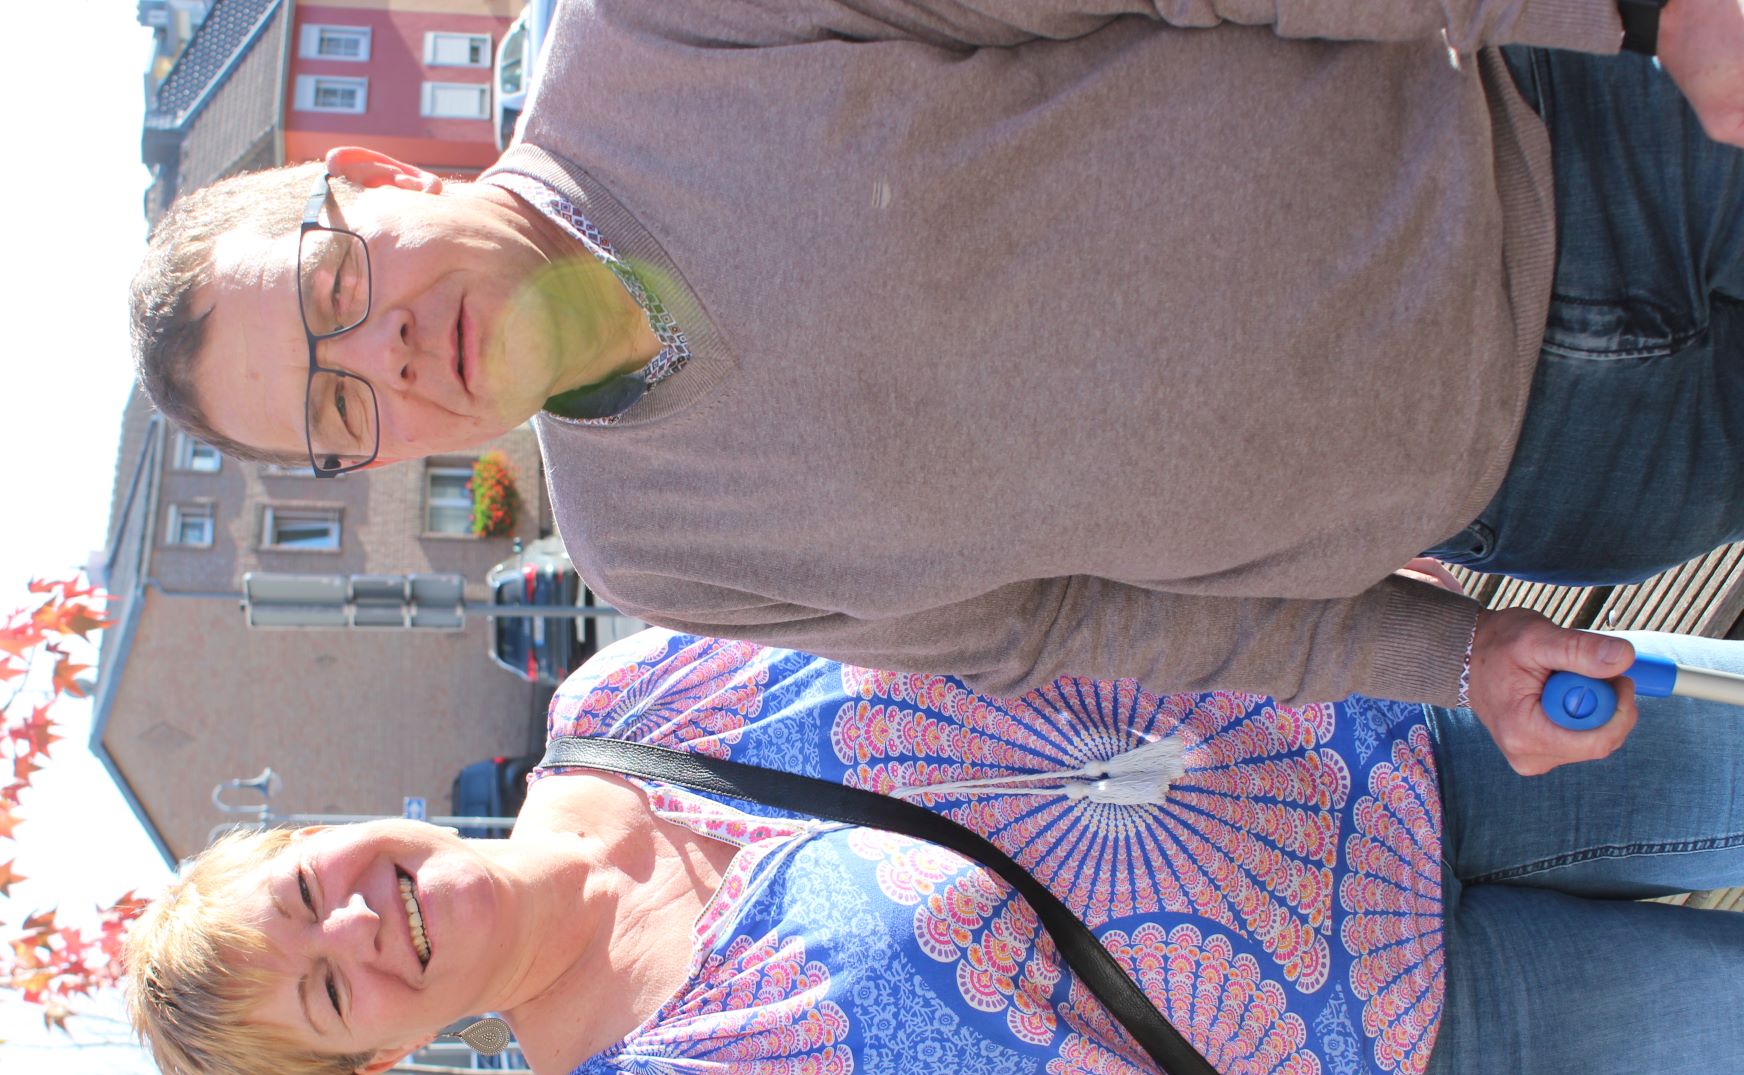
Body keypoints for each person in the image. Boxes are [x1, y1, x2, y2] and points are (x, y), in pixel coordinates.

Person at [128, 0, 1744, 778]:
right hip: (1560, 474)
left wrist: (1632, 6)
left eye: (337, 290)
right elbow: (1081, 627)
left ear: (372, 177)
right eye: (337, 410)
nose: (386, 358)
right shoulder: (654, 557)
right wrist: (1450, 654)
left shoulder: (659, 38)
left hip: (1585, 139)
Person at [127, 626, 1744, 1075]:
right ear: (379, 1062)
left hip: (1406, 743)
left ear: (315, 830)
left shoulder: (623, 701)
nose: (358, 925)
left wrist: (1377, 619)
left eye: (303, 892)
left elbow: (1005, 613)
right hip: (1415, 1064)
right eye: (330, 990)